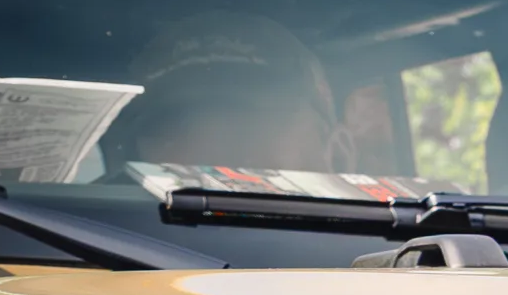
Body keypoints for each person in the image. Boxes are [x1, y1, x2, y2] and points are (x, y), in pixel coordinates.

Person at [104, 13, 355, 174]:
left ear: (338, 156)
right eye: (172, 125)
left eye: (251, 125)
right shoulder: (93, 232)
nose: (207, 137)